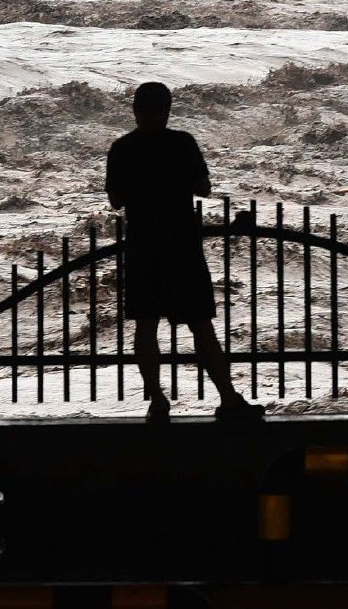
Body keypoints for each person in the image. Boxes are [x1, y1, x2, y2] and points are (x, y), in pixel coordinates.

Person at [105, 81, 261, 425]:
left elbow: (116, 201)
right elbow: (203, 188)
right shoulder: (181, 143)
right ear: (167, 109)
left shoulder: (122, 149)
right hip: (180, 244)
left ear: (135, 109)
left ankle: (158, 401)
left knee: (145, 327)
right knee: (201, 326)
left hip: (143, 244)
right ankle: (228, 398)